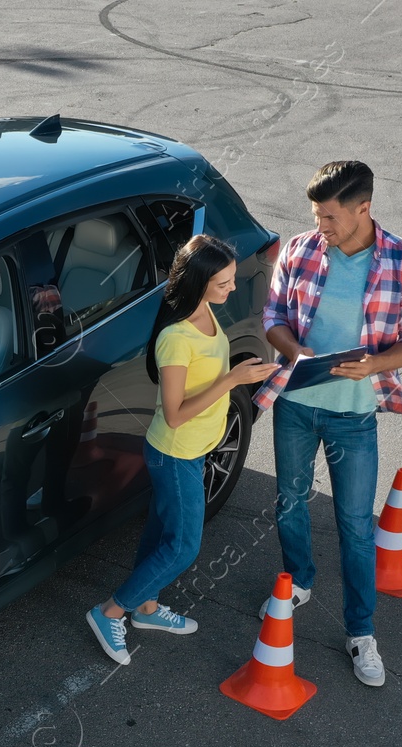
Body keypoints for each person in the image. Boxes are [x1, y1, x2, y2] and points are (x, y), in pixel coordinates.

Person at [253, 160, 402, 686]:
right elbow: (273, 317)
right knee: (289, 500)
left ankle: (361, 632)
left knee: (356, 527)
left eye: (330, 218)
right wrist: (296, 348)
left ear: (364, 209)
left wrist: (376, 364)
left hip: (354, 417)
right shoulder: (300, 249)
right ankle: (299, 582)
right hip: (297, 404)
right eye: (316, 216)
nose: (321, 228)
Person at [87, 234, 278, 665]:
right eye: (223, 283)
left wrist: (239, 374)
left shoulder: (206, 312)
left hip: (198, 448)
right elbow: (173, 414)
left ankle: (148, 609)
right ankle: (109, 612)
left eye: (230, 280)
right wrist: (231, 381)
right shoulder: (176, 338)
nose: (232, 289)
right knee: (183, 547)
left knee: (161, 536)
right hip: (175, 454)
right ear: (198, 284)